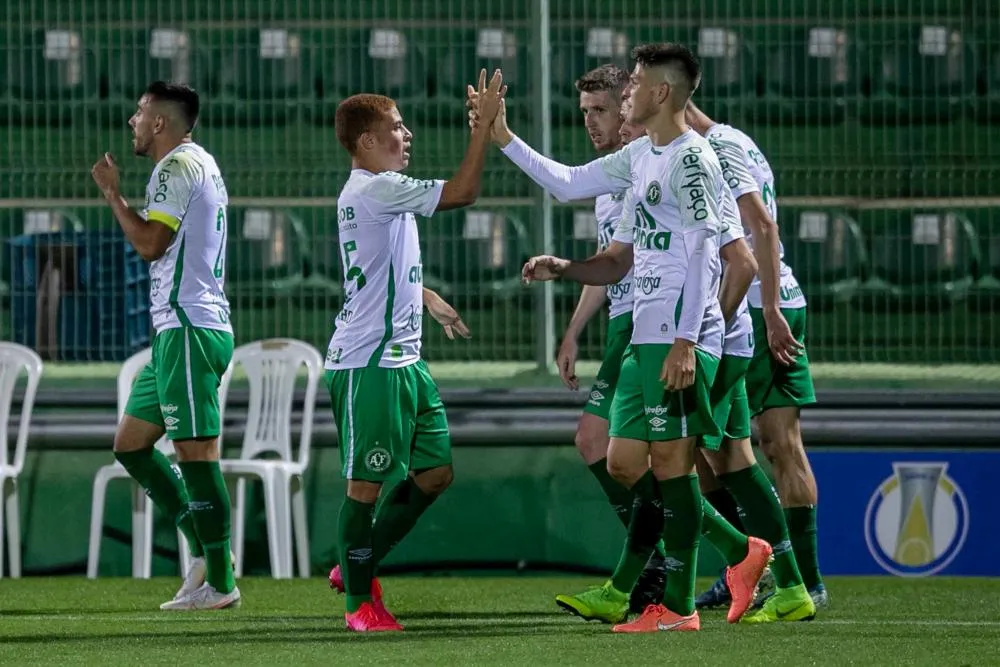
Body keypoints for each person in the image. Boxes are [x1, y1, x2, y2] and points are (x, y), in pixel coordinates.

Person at [516, 43, 771, 632]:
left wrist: (695, 339)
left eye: (627, 87)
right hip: (641, 334)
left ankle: (670, 601)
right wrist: (505, 139)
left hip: (676, 336)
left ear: (657, 94)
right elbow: (615, 255)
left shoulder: (692, 159)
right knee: (629, 461)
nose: (620, 98)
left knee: (693, 464)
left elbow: (723, 253)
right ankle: (739, 552)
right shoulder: (637, 167)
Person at [324, 70, 506, 632]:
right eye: (396, 128)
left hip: (405, 359)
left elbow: (375, 266)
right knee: (365, 485)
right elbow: (464, 192)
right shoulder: (375, 188)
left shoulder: (377, 193)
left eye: (404, 125)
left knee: (433, 474)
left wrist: (424, 295)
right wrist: (482, 129)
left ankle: (357, 565)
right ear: (365, 142)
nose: (407, 135)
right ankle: (359, 603)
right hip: (370, 363)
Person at [90, 81, 239, 610]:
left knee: (196, 454)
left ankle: (221, 581)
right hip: (177, 330)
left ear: (159, 123)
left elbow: (153, 244)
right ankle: (200, 544)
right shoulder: (202, 162)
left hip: (190, 329)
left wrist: (112, 192)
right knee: (130, 444)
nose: (132, 121)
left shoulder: (175, 168)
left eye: (139, 113)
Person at [685, 101, 828, 616]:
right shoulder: (729, 140)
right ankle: (751, 568)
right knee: (715, 450)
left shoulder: (719, 147)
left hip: (757, 309)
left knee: (774, 446)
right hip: (746, 308)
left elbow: (762, 229)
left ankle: (802, 580)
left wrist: (768, 309)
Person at [551, 63, 666, 614]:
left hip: (653, 324)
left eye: (600, 110)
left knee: (622, 451)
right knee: (623, 452)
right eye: (584, 113)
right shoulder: (612, 172)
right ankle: (663, 562)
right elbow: (609, 263)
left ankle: (664, 562)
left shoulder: (651, 163)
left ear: (629, 103)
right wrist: (573, 331)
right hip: (628, 322)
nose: (592, 123)